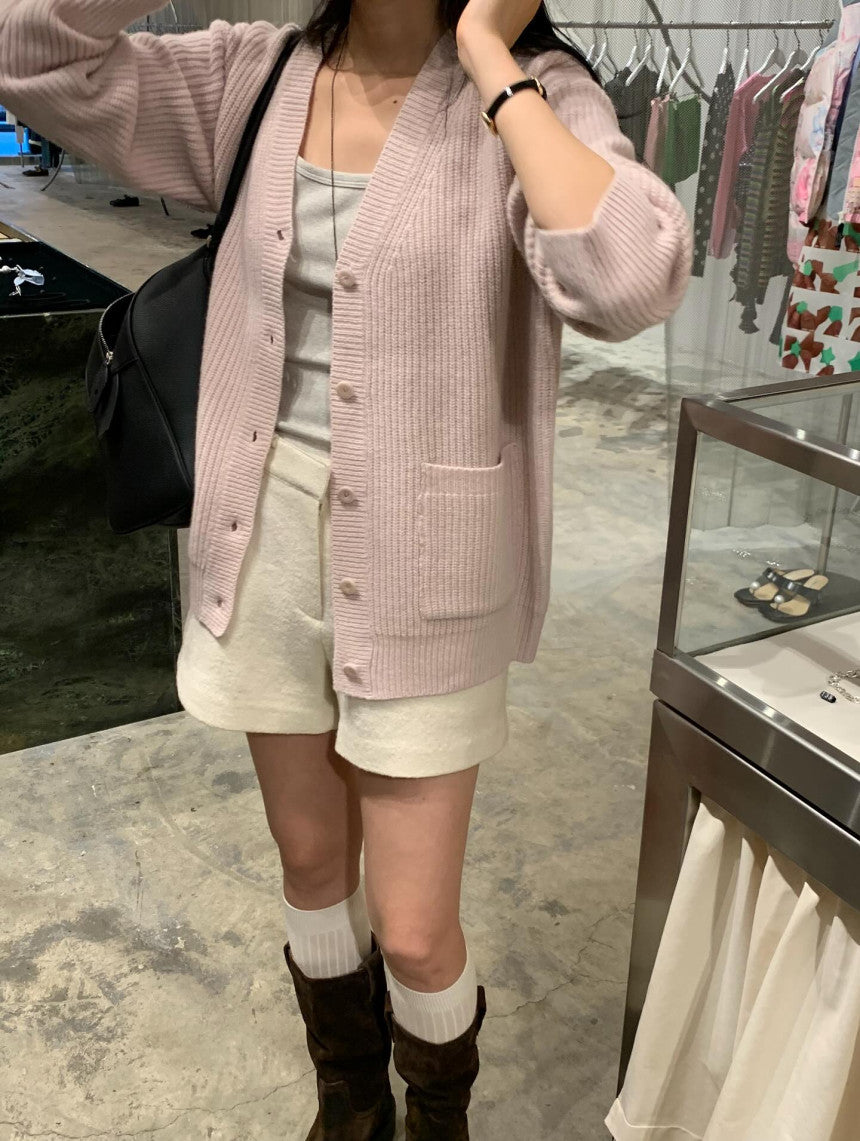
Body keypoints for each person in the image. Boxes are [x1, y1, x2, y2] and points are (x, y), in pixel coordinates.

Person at [0, 1, 692, 1137]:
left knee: (414, 928)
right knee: (313, 860)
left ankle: (436, 1118)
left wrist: (489, 54)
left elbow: (628, 282)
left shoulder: (532, 92)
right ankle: (349, 1102)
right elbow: (29, 54)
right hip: (261, 541)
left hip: (430, 564)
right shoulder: (255, 74)